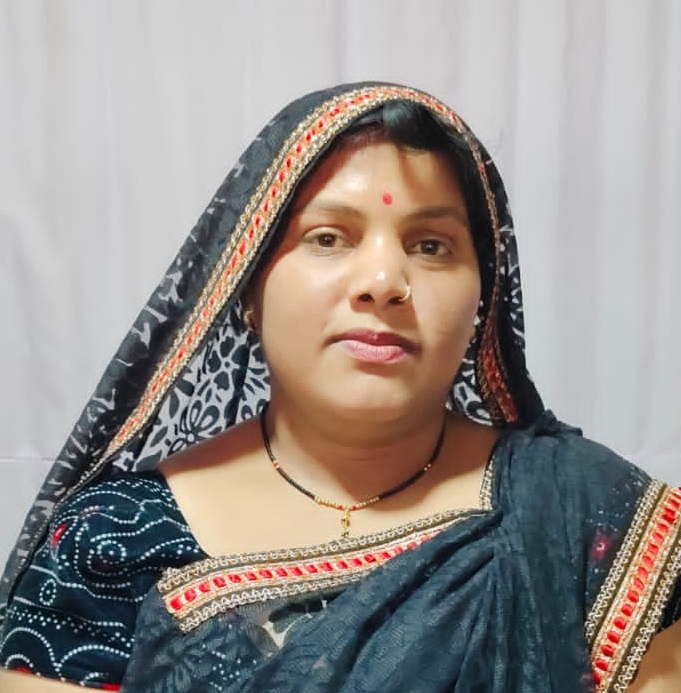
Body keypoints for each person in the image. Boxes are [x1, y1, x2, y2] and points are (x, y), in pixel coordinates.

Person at [0, 82, 679, 692]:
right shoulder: (109, 540)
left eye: (431, 245)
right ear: (244, 287)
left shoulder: (590, 518)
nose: (383, 282)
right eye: (328, 238)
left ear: (484, 295)